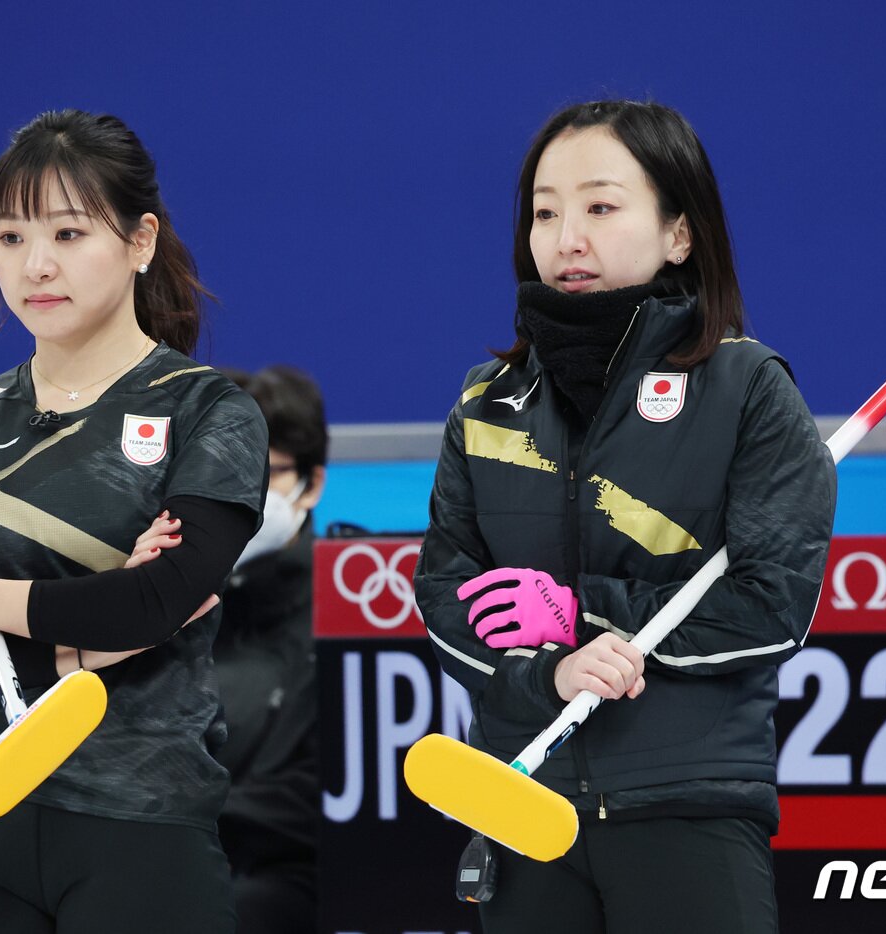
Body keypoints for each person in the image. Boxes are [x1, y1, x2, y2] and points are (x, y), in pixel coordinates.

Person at [414, 100, 837, 933]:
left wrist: (584, 614)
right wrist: (550, 672)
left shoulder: (748, 387)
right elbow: (444, 591)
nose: (567, 237)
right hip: (525, 801)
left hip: (687, 806)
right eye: (545, 211)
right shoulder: (488, 401)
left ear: (679, 233)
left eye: (601, 207)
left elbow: (771, 607)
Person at [0, 109, 268, 934]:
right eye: (11, 238)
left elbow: (162, 602)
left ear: (140, 240)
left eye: (67, 232)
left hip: (143, 823)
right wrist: (101, 634)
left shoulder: (211, 413)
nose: (35, 264)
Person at [209, 365, 328, 934]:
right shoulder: (167, 603)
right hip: (175, 864)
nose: (248, 496)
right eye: (231, 474)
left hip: (295, 882)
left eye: (271, 473)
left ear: (313, 482)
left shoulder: (348, 609)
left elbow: (324, 794)